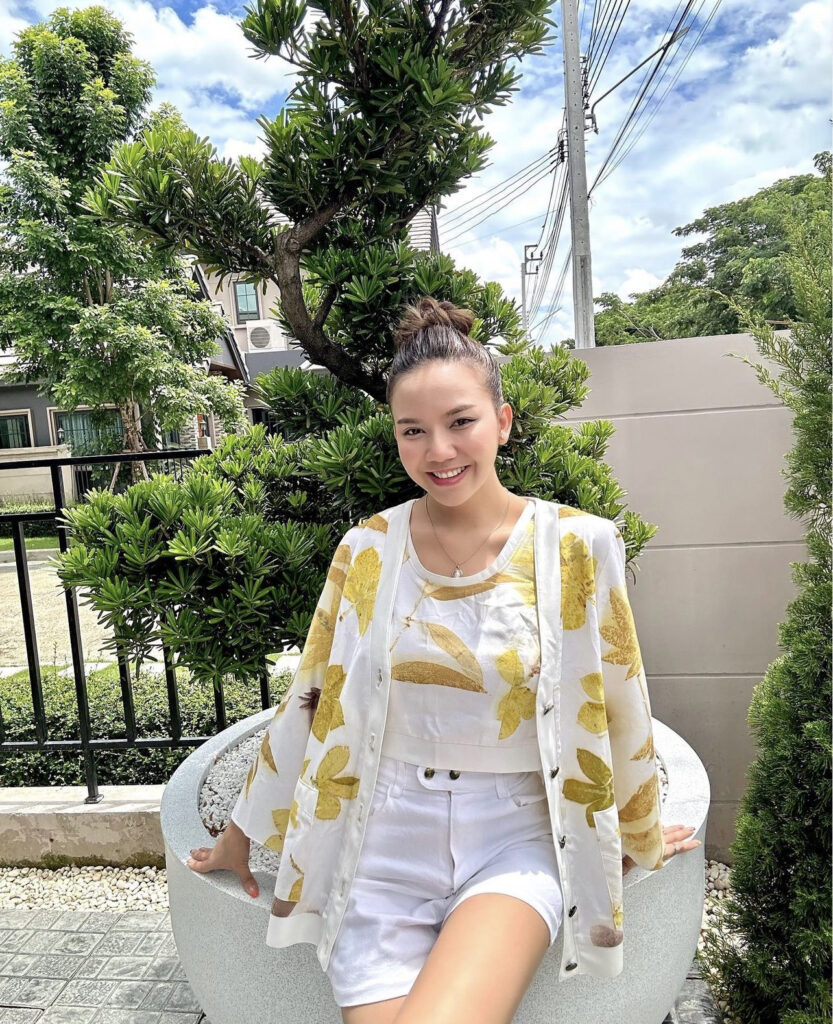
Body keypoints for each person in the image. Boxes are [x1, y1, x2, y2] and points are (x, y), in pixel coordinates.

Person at [187, 296, 702, 1024]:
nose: (439, 451)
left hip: (516, 835)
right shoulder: (368, 547)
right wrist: (239, 836)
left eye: (460, 422)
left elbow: (616, 693)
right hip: (380, 838)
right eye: (413, 431)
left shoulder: (575, 544)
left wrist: (635, 829)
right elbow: (314, 694)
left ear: (502, 420)